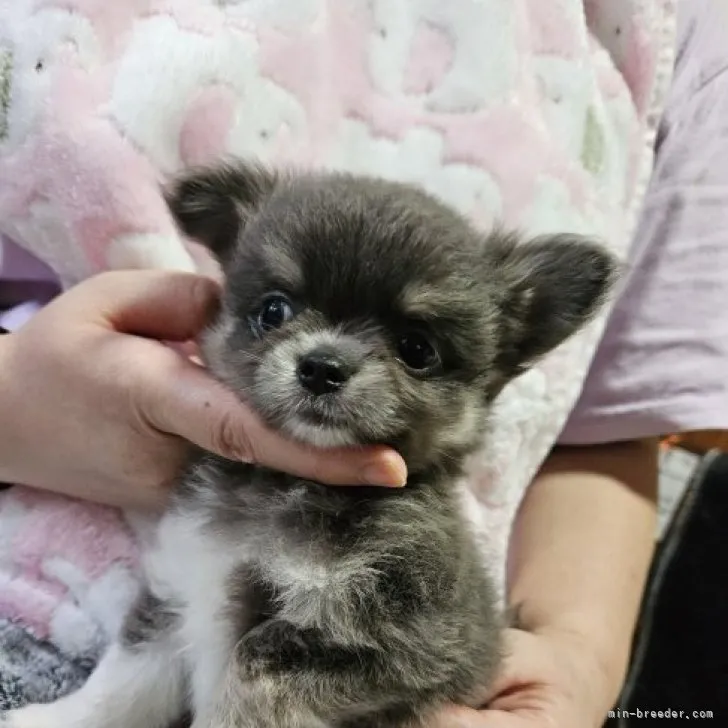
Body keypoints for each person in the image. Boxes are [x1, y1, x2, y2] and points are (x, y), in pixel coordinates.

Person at [2, 1, 727, 727]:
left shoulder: (402, 555)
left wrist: (578, 652)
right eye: (277, 313)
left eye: (414, 349)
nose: (323, 361)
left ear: (505, 358)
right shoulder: (206, 487)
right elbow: (167, 621)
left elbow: (454, 643)